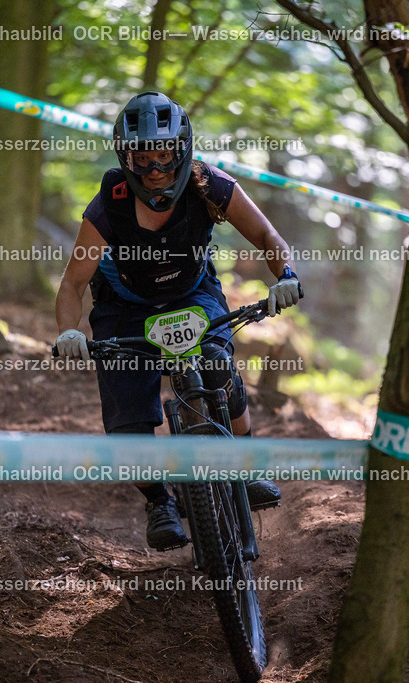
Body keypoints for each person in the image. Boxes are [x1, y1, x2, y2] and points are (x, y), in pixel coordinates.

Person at [54, 92, 303, 551]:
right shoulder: (110, 203)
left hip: (192, 291)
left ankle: (244, 467)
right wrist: (71, 331)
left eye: (164, 155)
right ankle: (159, 502)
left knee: (215, 362)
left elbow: (268, 235)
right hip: (124, 306)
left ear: (183, 149)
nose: (154, 170)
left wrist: (285, 275)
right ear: (125, 158)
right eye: (142, 158)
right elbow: (72, 284)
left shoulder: (211, 185)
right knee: (126, 416)